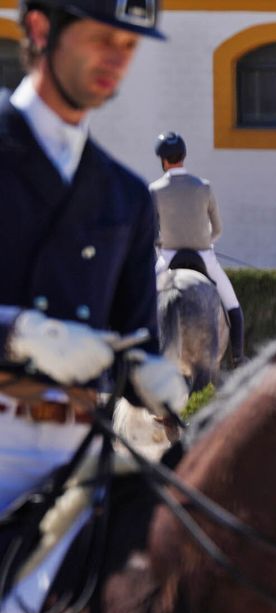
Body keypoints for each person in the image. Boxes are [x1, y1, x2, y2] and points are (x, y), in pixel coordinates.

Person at [0, 0, 187, 515]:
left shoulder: (124, 195)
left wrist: (149, 374)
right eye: (101, 38)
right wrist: (17, 334)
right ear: (40, 28)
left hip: (79, 455)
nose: (117, 58)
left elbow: (136, 338)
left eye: (128, 45)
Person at [150, 131, 244, 363]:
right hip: (204, 255)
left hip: (169, 256)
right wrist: (204, 241)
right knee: (233, 305)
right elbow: (218, 229)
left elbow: (151, 233)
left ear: (163, 161)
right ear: (184, 156)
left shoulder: (154, 190)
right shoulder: (204, 186)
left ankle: (135, 358)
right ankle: (239, 357)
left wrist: (162, 242)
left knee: (141, 301)